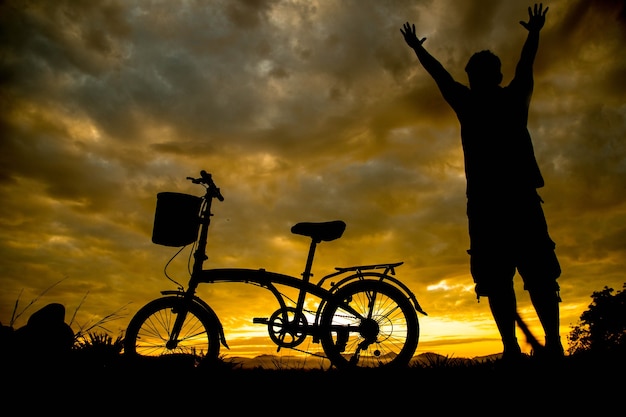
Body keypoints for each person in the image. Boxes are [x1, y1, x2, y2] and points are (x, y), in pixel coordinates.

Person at [400, 4, 563, 361]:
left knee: (509, 279)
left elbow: (441, 75)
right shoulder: (508, 97)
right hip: (512, 202)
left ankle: (526, 348)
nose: (475, 79)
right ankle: (542, 346)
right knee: (525, 277)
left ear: (478, 77)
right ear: (497, 75)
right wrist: (534, 33)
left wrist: (418, 49)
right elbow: (524, 65)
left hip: (496, 205)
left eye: (475, 74)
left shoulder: (471, 101)